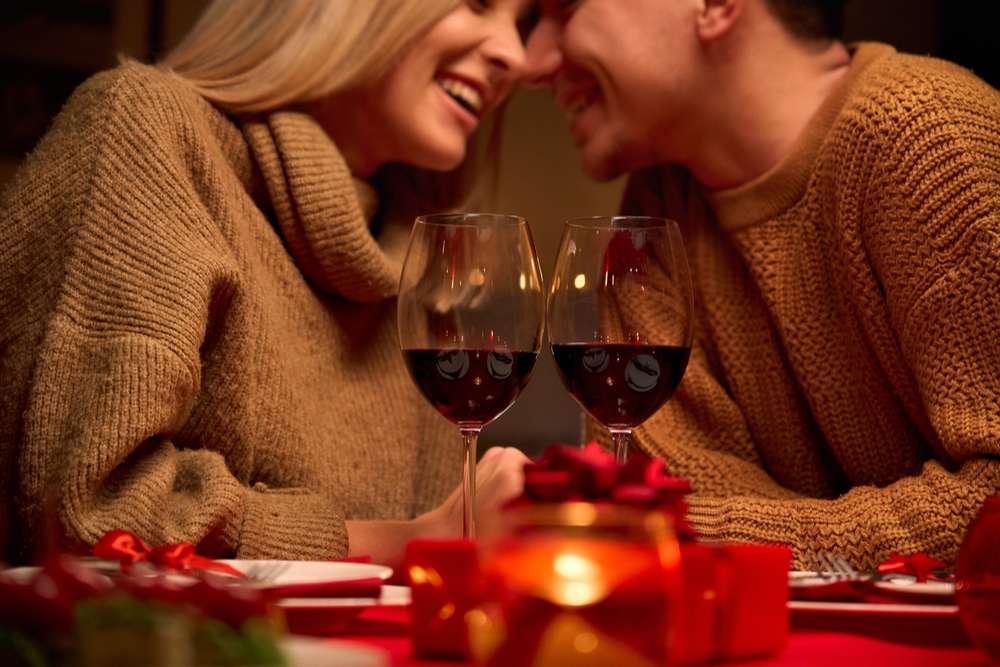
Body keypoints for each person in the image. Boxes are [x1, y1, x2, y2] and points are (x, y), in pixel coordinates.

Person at [0, 0, 539, 567]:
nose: (516, 56)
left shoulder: (421, 244)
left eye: (522, 23)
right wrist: (408, 541)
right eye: (479, 3)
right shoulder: (148, 128)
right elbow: (84, 511)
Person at [525, 0, 1000, 567]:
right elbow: (659, 493)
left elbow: (990, 510)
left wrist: (681, 529)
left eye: (565, 8)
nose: (532, 61)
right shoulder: (659, 209)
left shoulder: (930, 137)